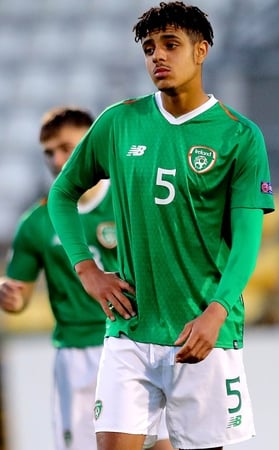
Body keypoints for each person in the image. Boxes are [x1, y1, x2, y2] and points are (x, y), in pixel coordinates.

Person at [47, 2, 274, 449]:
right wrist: (86, 269)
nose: (158, 57)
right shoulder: (119, 122)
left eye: (171, 45)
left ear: (201, 50)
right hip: (130, 331)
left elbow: (248, 240)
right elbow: (62, 193)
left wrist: (218, 310)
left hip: (202, 334)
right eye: (150, 48)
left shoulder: (239, 135)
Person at [0, 107, 174, 450]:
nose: (56, 159)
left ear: (91, 142)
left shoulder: (131, 199)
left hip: (136, 343)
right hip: (77, 354)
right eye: (49, 152)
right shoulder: (36, 222)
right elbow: (19, 297)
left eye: (66, 147)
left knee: (163, 444)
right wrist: (8, 294)